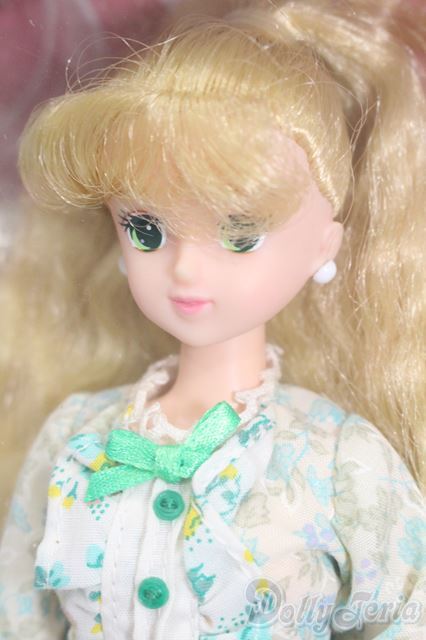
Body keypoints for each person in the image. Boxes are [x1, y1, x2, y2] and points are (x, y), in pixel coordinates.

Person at [0, 0, 424, 637]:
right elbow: (19, 612)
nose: (186, 270)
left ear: (322, 246)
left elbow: (406, 614)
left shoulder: (337, 459)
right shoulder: (78, 437)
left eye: (240, 234)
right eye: (146, 230)